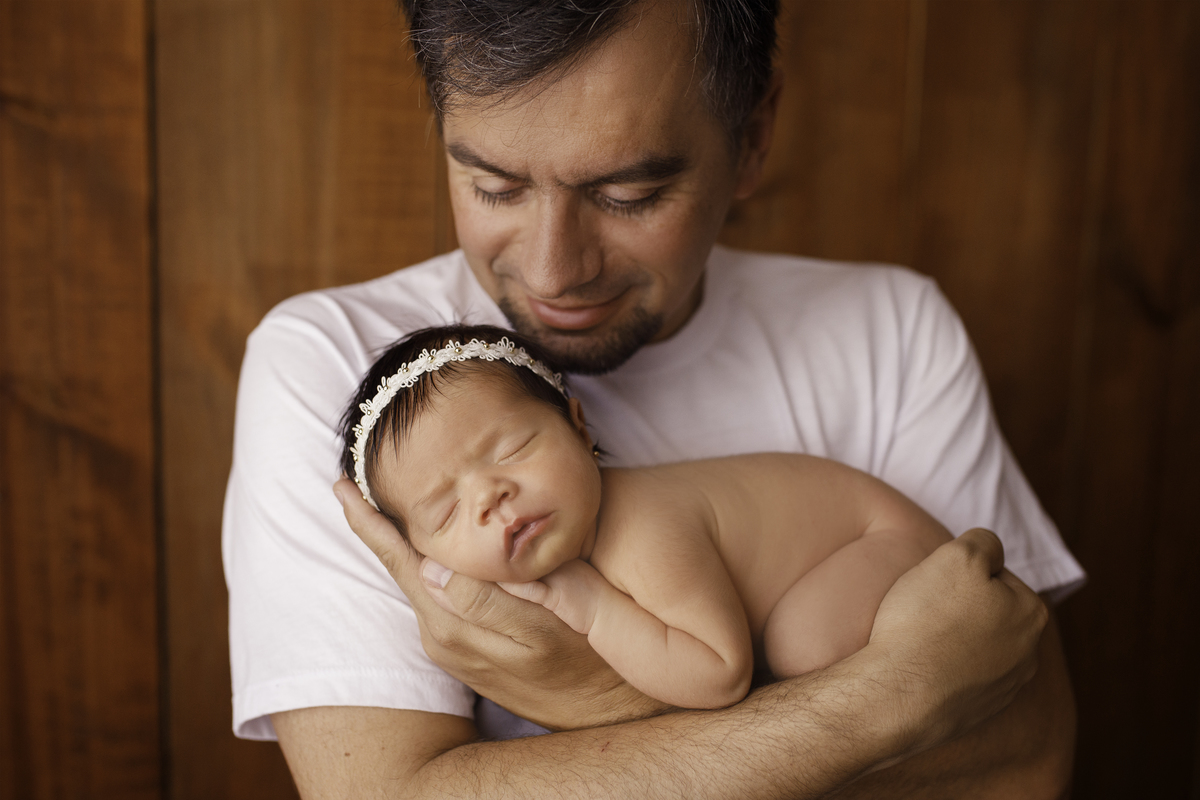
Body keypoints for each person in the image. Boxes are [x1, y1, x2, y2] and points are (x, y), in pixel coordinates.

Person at [223, 0, 1084, 796]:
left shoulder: (889, 329)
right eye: (494, 186)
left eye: (626, 195)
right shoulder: (342, 372)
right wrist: (893, 700)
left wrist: (588, 697)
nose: (554, 271)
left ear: (753, 136)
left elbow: (1029, 757)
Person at [340, 324, 954, 709]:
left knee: (803, 647)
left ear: (579, 429)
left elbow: (718, 674)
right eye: (447, 512)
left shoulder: (642, 529)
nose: (490, 497)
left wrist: (593, 608)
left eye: (512, 450)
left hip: (881, 537)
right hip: (854, 541)